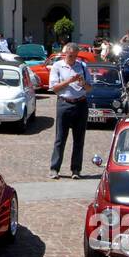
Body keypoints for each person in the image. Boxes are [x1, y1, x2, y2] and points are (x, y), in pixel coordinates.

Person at [48, 43, 92, 180]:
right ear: (65, 54)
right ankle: (54, 168)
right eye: (70, 55)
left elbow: (90, 88)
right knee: (60, 138)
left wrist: (83, 83)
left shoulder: (83, 66)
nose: (73, 58)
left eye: (75, 56)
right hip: (64, 104)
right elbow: (54, 88)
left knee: (79, 139)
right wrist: (69, 81)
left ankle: (76, 169)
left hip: (81, 103)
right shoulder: (57, 66)